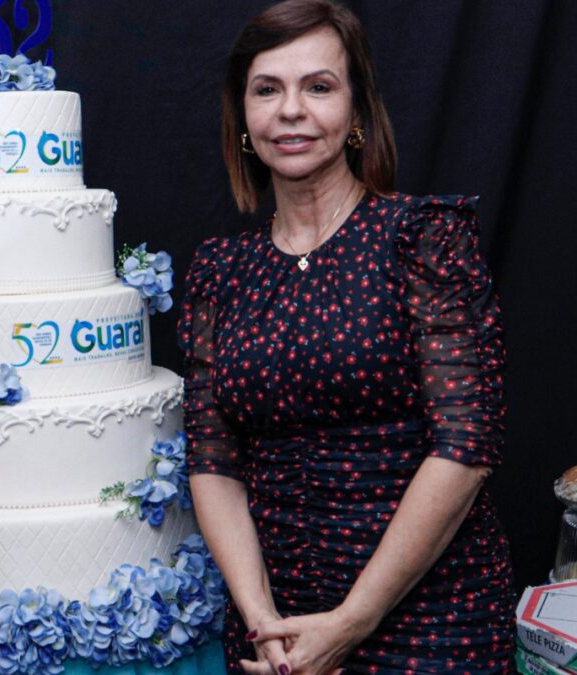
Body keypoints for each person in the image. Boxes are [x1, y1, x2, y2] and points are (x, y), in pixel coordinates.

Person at [179, 1, 516, 673]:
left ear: (357, 113)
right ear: (243, 119)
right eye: (267, 89)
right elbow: (211, 459)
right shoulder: (220, 272)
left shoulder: (424, 241)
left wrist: (353, 620)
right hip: (276, 632)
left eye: (319, 86)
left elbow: (467, 444)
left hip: (429, 620)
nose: (291, 110)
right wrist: (261, 620)